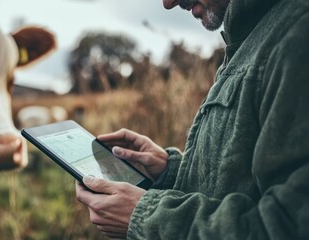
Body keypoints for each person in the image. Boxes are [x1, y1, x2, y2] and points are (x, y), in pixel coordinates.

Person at [75, 0, 309, 239]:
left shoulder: (298, 35)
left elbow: (288, 226)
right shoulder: (250, 38)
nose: (168, 3)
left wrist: (149, 217)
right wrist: (171, 172)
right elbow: (245, 186)